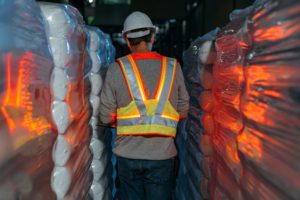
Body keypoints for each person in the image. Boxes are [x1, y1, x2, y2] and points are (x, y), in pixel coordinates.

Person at [99, 11, 189, 200]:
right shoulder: (173, 67)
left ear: (126, 39)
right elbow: (183, 110)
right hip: (162, 157)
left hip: (127, 157)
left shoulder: (116, 69)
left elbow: (105, 117)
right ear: (153, 36)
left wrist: (127, 121)